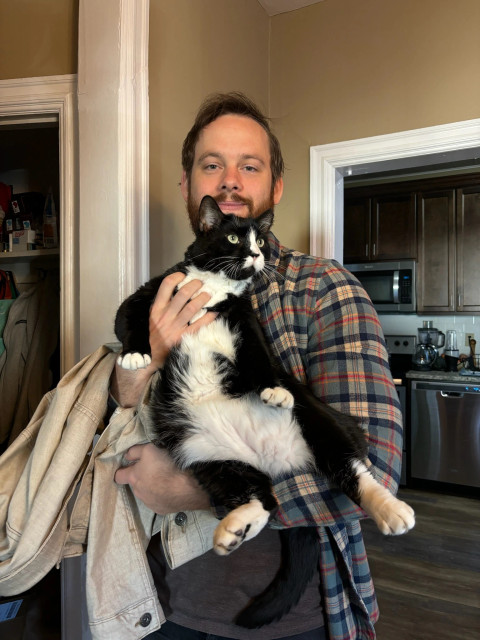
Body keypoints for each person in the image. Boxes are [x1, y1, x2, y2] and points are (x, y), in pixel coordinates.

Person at [113, 92, 404, 640]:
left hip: (295, 621)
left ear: (275, 188)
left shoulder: (324, 288)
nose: (229, 181)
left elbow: (381, 462)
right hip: (156, 604)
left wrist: (191, 489)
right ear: (187, 187)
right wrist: (139, 363)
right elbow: (121, 411)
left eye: (250, 166)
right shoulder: (167, 293)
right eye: (212, 164)